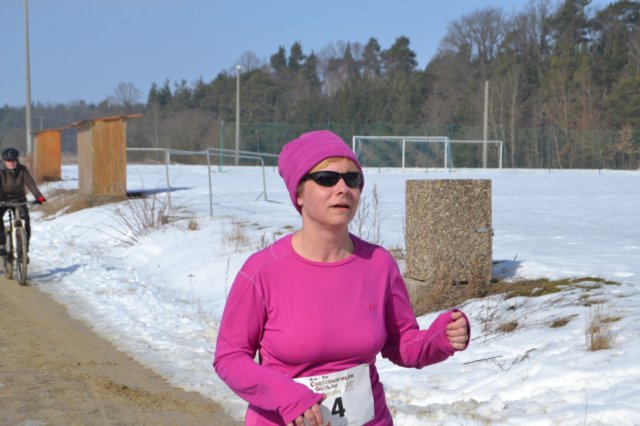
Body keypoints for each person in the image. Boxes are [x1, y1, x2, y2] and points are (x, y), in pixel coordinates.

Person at [214, 130, 470, 426]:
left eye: (352, 179)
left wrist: (439, 339)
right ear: (299, 193)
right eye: (326, 179)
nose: (343, 188)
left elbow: (400, 343)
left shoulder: (378, 264)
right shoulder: (262, 272)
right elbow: (230, 358)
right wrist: (287, 397)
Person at [0, 147, 46, 256]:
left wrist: (39, 196)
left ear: (17, 160)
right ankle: (1, 243)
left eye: (14, 160)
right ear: (4, 161)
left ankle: (25, 248)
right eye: (9, 160)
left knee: (25, 221)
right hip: (3, 200)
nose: (11, 163)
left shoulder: (22, 170)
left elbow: (30, 183)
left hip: (19, 200)